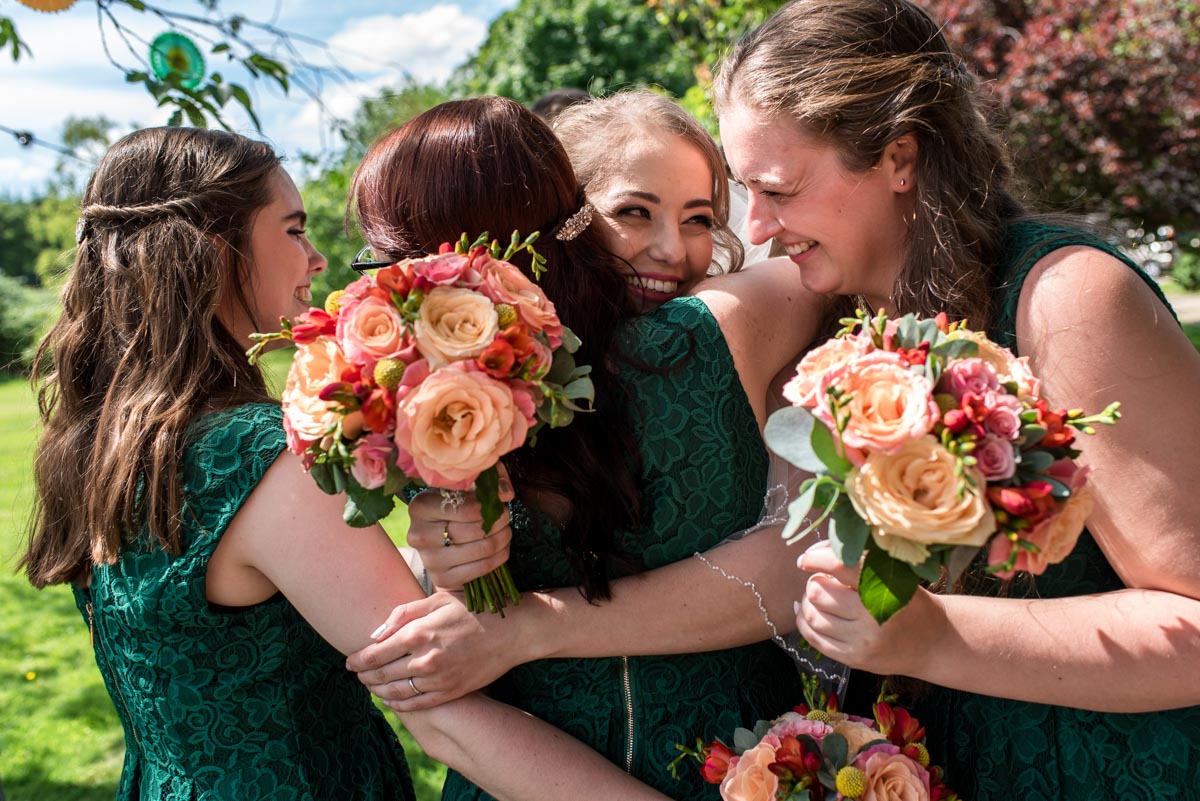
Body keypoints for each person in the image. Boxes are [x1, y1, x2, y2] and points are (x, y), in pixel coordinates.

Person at [19, 125, 678, 801]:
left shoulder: (103, 442)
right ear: (216, 251)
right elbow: (439, 709)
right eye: (294, 229)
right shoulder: (250, 454)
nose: (317, 259)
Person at [711, 0, 1200, 798]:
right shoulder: (842, 327)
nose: (759, 227)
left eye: (781, 188)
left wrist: (936, 638)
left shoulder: (1068, 299)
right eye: (744, 191)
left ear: (901, 157)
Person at [345, 94, 823, 800]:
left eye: (700, 219)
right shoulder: (467, 384)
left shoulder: (709, 327)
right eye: (634, 212)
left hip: (721, 764)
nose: (672, 249)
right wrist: (439, 554)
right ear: (568, 219)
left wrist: (518, 623)